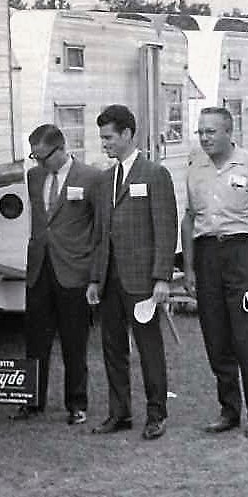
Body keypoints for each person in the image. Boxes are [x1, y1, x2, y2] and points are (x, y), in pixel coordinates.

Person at [181, 106, 248, 438]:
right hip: (208, 252)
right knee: (216, 333)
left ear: (228, 131)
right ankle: (228, 409)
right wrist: (189, 266)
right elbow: (189, 219)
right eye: (201, 132)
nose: (205, 138)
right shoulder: (195, 166)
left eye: (211, 131)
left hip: (243, 250)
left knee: (247, 335)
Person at [88, 104, 177, 440]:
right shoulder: (105, 179)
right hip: (110, 280)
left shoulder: (154, 174)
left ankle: (157, 414)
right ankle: (119, 412)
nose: (105, 144)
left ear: (127, 134)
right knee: (112, 347)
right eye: (102, 138)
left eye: (109, 137)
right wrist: (95, 279)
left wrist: (162, 278)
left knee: (148, 347)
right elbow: (100, 233)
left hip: (141, 279)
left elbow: (165, 229)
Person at [13, 124, 103, 425]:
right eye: (33, 156)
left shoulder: (91, 178)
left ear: (61, 149)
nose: (37, 162)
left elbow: (99, 228)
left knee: (73, 341)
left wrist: (94, 274)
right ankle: (31, 400)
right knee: (35, 340)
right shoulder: (34, 176)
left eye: (42, 156)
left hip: (74, 270)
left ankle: (77, 404)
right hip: (40, 268)